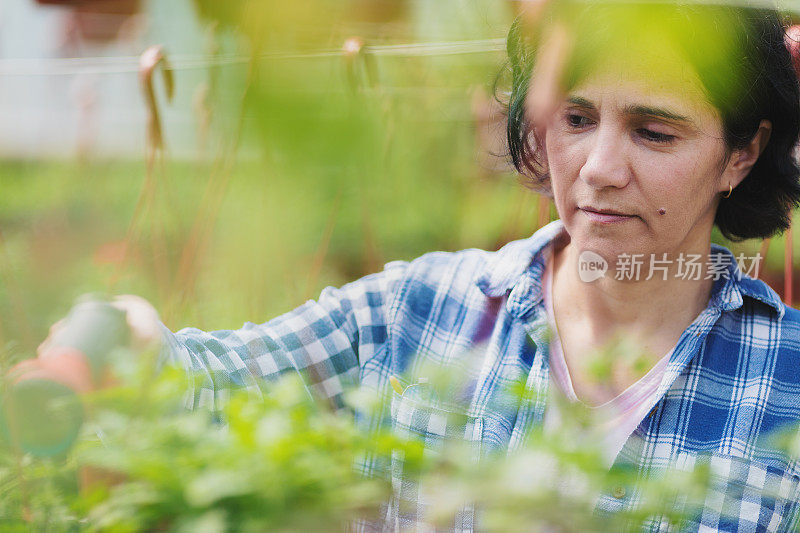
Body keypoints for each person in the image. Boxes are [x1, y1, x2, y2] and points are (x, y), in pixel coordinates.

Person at [36, 1, 800, 530]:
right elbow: (207, 380)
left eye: (654, 132)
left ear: (744, 152)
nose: (599, 167)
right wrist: (118, 336)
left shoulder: (786, 381)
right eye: (575, 118)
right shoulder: (419, 315)